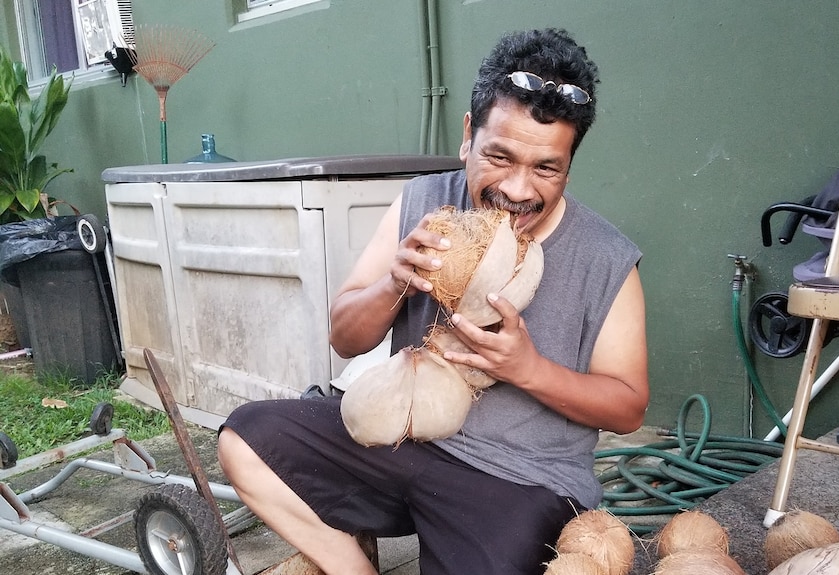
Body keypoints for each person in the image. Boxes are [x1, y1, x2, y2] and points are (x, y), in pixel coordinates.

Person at [218, 27, 649, 575]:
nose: (518, 191)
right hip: (403, 442)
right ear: (468, 135)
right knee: (246, 441)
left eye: (546, 169)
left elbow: (629, 407)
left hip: (519, 480)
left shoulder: (606, 257)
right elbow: (345, 337)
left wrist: (529, 369)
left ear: (569, 163)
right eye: (499, 156)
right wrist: (393, 282)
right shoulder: (422, 201)